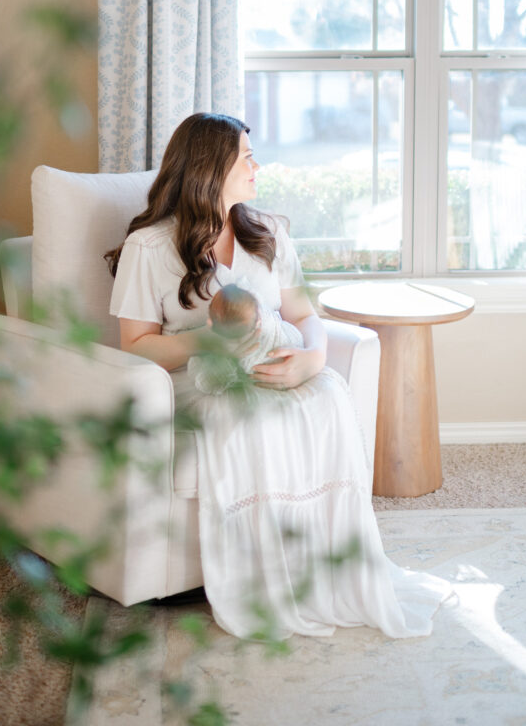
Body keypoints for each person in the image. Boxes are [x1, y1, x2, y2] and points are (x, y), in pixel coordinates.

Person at [108, 112, 451, 641]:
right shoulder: (150, 247)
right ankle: (266, 579)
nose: (257, 166)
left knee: (329, 396)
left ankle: (324, 567)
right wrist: (214, 340)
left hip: (280, 360)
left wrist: (313, 360)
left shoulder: (267, 233)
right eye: (246, 157)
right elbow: (135, 347)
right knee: (241, 413)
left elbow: (305, 317)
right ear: (210, 167)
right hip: (197, 378)